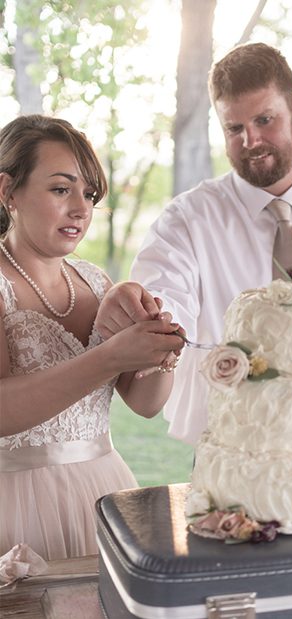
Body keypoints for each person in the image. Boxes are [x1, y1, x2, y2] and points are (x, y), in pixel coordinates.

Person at [95, 42, 292, 444]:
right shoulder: (187, 219)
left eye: (265, 120)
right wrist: (148, 312)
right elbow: (166, 298)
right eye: (234, 128)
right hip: (232, 449)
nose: (251, 141)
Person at [0, 115, 184, 560]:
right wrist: (110, 356)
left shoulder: (95, 281)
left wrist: (159, 347)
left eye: (89, 194)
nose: (81, 209)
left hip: (104, 491)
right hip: (16, 504)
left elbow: (145, 404)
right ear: (7, 192)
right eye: (61, 189)